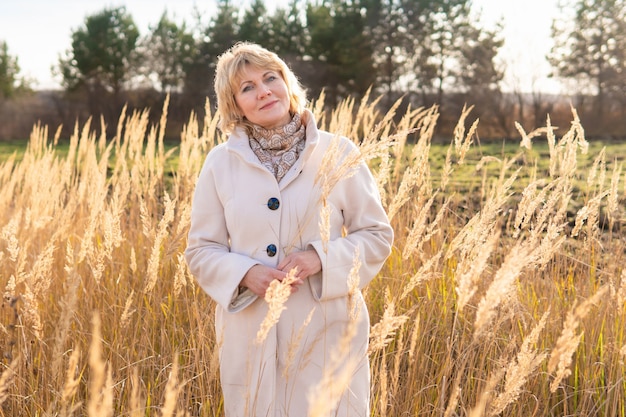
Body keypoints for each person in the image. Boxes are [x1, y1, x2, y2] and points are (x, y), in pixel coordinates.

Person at [185, 42, 394, 417]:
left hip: (328, 330)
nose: (263, 90)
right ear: (234, 104)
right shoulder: (219, 164)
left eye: (270, 78)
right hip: (251, 332)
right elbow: (201, 249)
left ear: (287, 83)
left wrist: (319, 259)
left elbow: (376, 235)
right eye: (247, 87)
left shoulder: (338, 152)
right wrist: (247, 274)